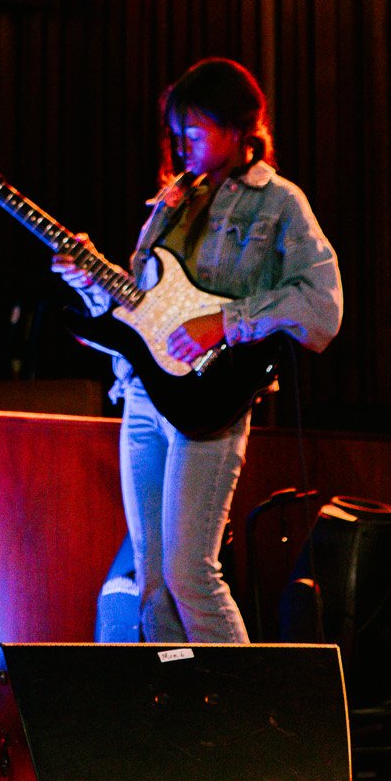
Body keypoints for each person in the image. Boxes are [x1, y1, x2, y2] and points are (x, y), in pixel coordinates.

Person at [53, 58, 341, 644]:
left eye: (196, 130)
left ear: (239, 128)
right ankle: (174, 717)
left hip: (211, 403)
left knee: (191, 574)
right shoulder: (173, 200)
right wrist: (86, 274)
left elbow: (322, 305)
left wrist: (227, 321)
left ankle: (243, 720)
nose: (183, 144)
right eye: (177, 132)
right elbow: (140, 305)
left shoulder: (279, 202)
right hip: (141, 395)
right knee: (153, 581)